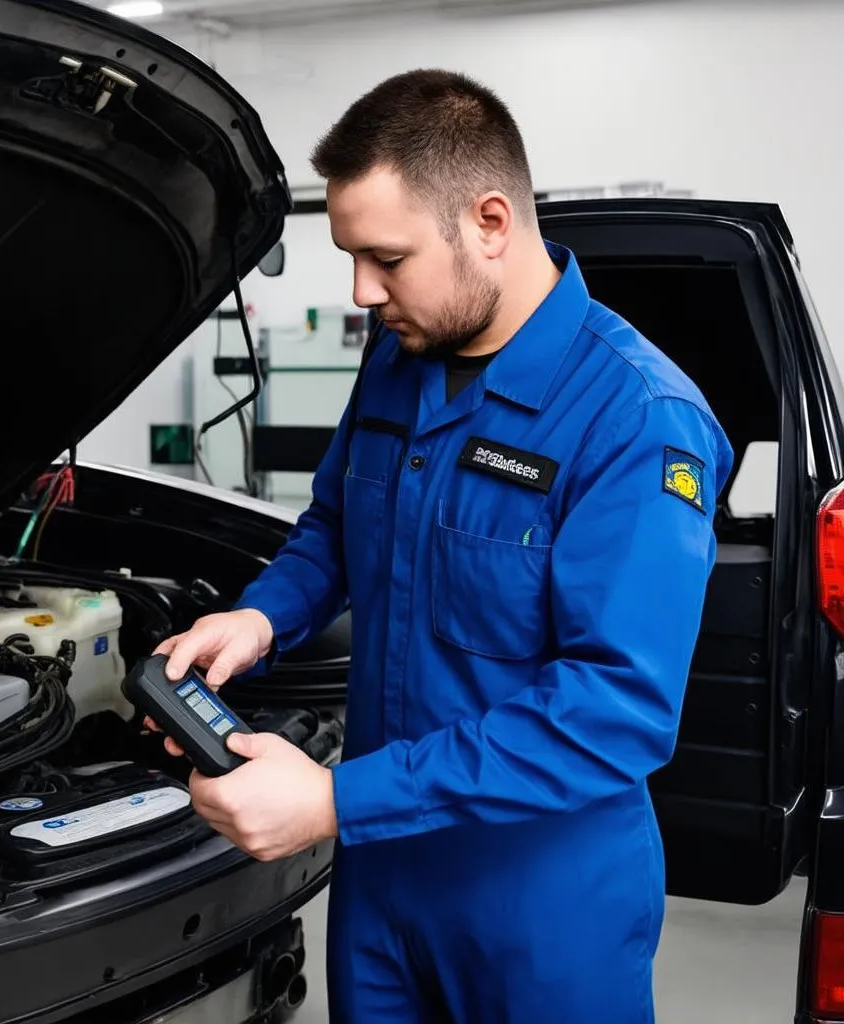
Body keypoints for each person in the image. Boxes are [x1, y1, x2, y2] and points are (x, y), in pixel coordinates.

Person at [148, 69, 735, 1023]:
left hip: (539, 900)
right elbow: (336, 527)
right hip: (383, 874)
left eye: (386, 258)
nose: (360, 292)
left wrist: (336, 802)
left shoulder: (635, 418)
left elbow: (614, 710)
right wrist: (261, 617)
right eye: (349, 258)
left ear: (491, 221)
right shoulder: (400, 355)